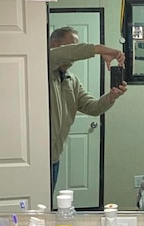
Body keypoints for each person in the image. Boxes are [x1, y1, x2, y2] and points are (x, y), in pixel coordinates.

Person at [49, 26, 127, 193]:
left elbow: (93, 108)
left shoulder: (72, 80)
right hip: (36, 157)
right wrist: (100, 49)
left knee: (45, 204)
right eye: (72, 47)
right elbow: (63, 54)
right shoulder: (43, 66)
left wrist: (111, 97)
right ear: (55, 45)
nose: (74, 55)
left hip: (54, 158)